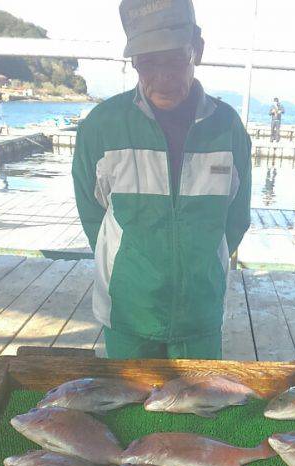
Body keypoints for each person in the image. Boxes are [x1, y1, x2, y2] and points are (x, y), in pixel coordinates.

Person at [72, 0, 252, 361]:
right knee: (127, 416)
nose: (163, 76)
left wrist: (202, 268)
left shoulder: (228, 127)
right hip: (126, 314)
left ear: (197, 50)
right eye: (147, 62)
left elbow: (237, 219)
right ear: (133, 63)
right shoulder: (100, 127)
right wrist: (129, 267)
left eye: (174, 58)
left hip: (200, 316)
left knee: (199, 414)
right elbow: (93, 216)